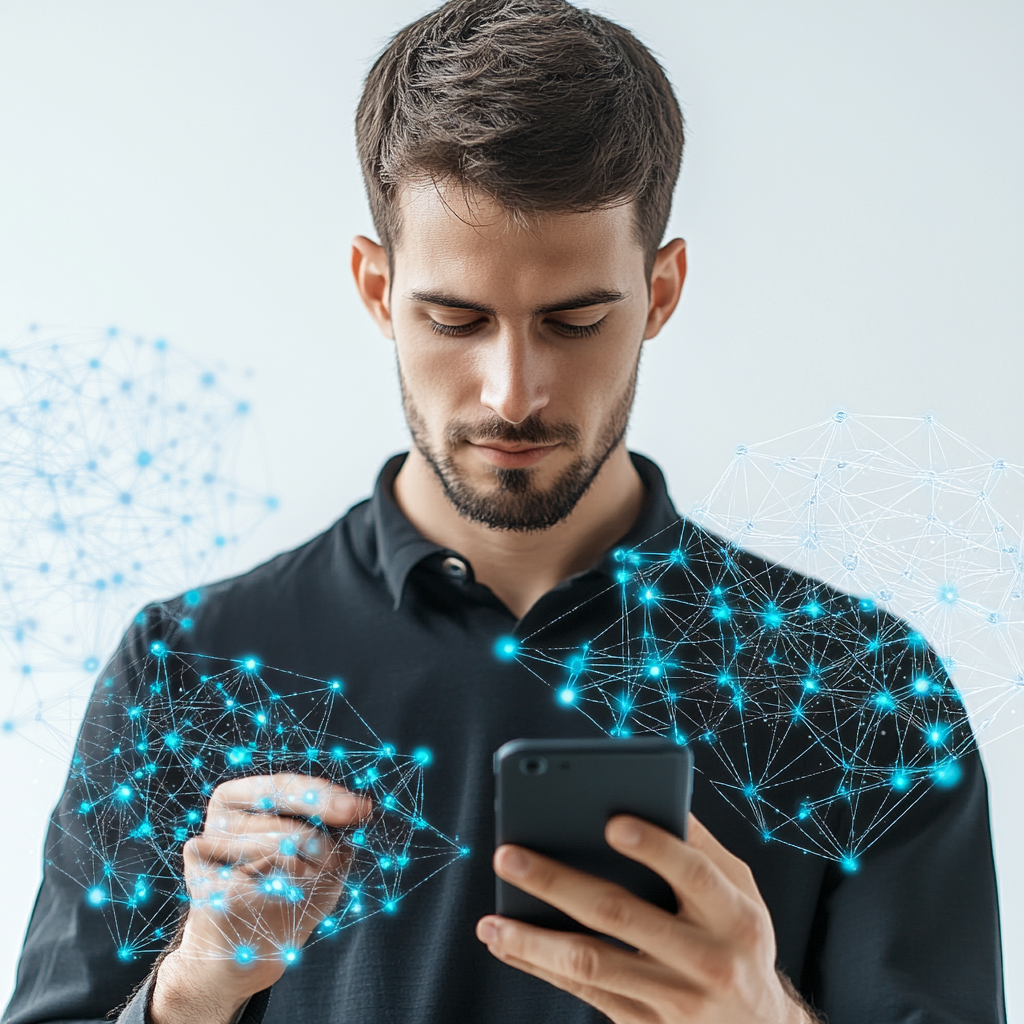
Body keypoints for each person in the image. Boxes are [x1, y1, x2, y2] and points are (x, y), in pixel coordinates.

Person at [3, 1, 1005, 1022]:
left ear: (660, 292)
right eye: (454, 318)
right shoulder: (187, 666)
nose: (511, 392)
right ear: (374, 285)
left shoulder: (860, 689)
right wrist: (188, 990)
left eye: (573, 320)